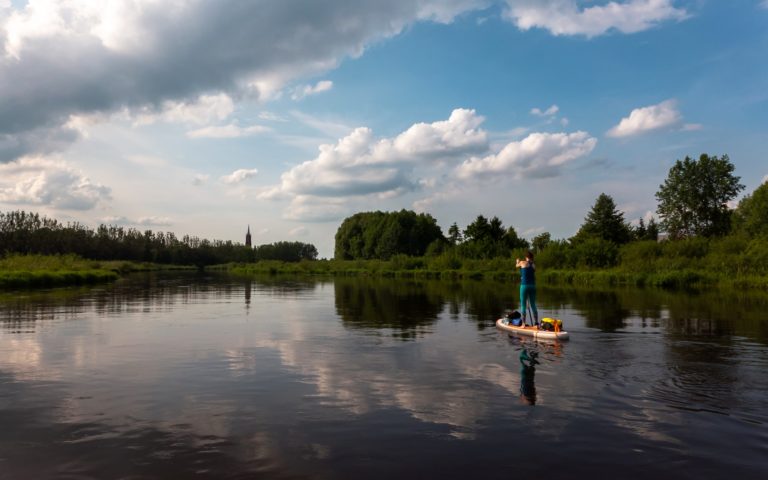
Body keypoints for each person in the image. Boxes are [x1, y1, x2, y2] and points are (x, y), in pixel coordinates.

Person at [516, 251, 538, 327]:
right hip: (532, 286)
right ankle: (536, 323)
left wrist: (517, 261)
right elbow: (531, 271)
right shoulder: (534, 265)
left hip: (524, 286)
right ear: (532, 257)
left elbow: (517, 266)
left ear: (526, 257)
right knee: (533, 304)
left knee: (523, 305)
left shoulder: (522, 262)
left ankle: (523, 324)